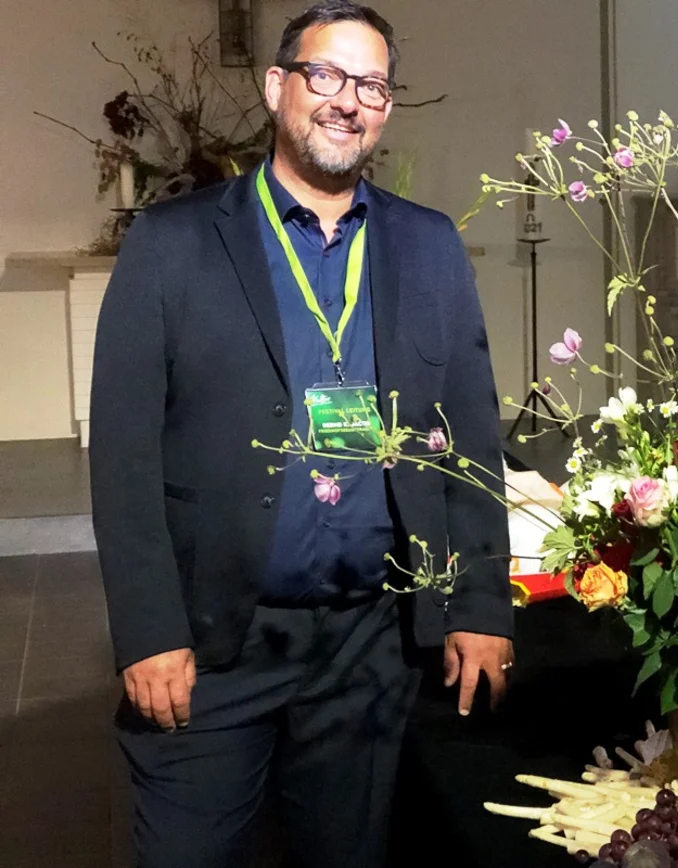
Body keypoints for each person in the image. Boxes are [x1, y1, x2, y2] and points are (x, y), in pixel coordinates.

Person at [89, 2, 514, 865]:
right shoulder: (171, 245)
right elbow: (124, 455)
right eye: (326, 74)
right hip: (215, 645)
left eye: (371, 84)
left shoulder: (429, 247)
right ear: (280, 85)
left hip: (370, 646)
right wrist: (148, 631)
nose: (347, 100)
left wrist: (479, 605)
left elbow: (466, 438)